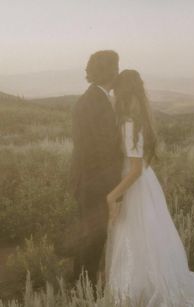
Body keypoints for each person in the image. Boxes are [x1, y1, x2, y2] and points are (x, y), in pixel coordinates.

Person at [104, 70, 194, 306]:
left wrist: (112, 196)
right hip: (146, 184)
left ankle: (136, 292)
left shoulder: (128, 124)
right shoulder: (141, 118)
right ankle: (144, 285)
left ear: (121, 93)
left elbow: (134, 169)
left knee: (135, 237)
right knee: (147, 239)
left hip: (135, 187)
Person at [70, 50, 123, 289]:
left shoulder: (92, 98)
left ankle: (81, 286)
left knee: (88, 237)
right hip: (96, 182)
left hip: (87, 180)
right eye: (116, 66)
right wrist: (117, 188)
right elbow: (103, 151)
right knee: (93, 238)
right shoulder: (97, 102)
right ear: (111, 70)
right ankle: (85, 291)